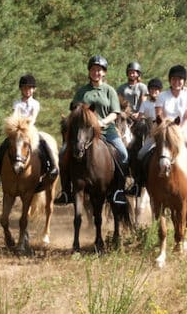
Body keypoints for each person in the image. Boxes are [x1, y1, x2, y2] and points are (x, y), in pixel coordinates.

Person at [135, 65, 187, 204]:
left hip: (182, 131)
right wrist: (166, 129)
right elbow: (159, 115)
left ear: (184, 81)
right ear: (170, 80)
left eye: (180, 79)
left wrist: (178, 131)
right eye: (174, 79)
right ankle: (138, 184)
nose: (177, 82)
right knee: (142, 153)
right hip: (163, 130)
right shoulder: (162, 96)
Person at [55, 55, 132, 205]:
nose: (96, 72)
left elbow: (115, 112)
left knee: (123, 154)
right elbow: (75, 111)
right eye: (93, 69)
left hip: (106, 131)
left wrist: (102, 122)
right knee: (63, 153)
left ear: (104, 73)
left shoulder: (109, 91)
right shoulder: (82, 91)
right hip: (84, 133)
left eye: (99, 70)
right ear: (89, 72)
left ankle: (119, 191)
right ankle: (66, 192)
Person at [0, 74, 59, 188]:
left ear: (33, 89)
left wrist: (25, 125)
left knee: (44, 143)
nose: (27, 90)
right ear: (21, 89)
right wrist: (17, 126)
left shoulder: (36, 104)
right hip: (18, 130)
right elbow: (14, 116)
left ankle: (52, 168)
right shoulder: (17, 103)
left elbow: (33, 118)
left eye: (30, 88)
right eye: (25, 88)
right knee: (3, 146)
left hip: (30, 129)